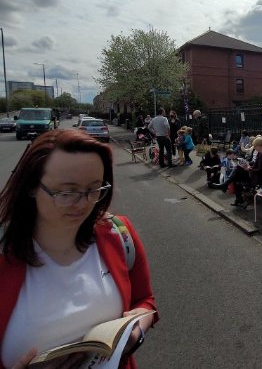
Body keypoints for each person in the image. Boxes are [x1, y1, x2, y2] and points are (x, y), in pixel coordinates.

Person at [0, 130, 157, 367]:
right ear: (31, 187)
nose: (83, 204)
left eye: (94, 189)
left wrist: (137, 330)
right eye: (67, 192)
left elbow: (145, 301)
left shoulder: (119, 234)